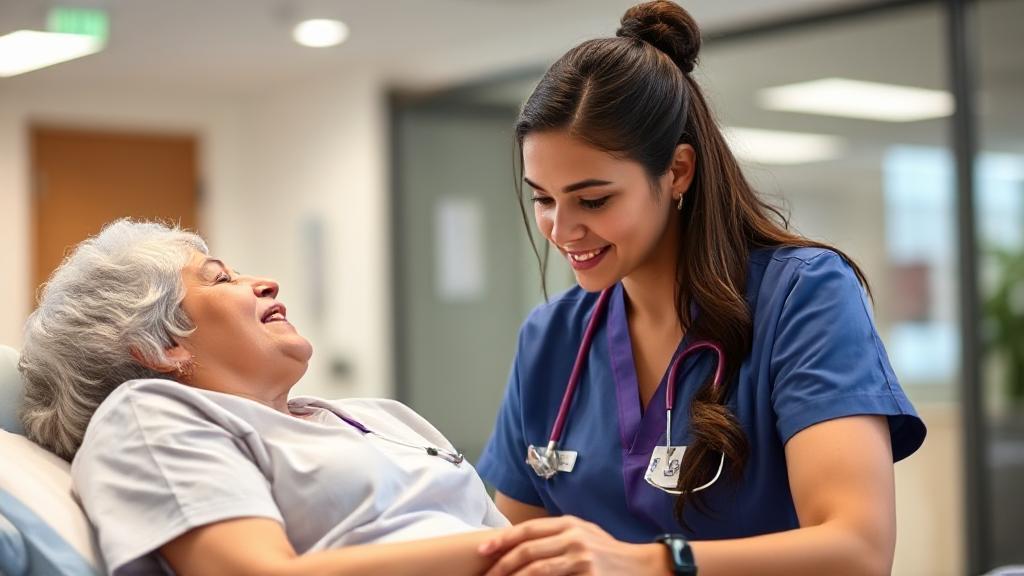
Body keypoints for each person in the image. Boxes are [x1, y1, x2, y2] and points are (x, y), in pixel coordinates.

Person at [474, 1, 927, 575]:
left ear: (678, 172)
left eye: (593, 200)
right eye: (543, 198)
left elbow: (857, 551)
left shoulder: (801, 297)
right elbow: (511, 551)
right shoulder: (551, 338)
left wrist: (646, 563)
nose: (562, 231)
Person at [18, 219, 510, 576]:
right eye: (221, 278)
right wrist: (506, 550)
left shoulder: (384, 416)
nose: (266, 281)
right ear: (163, 347)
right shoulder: (145, 420)